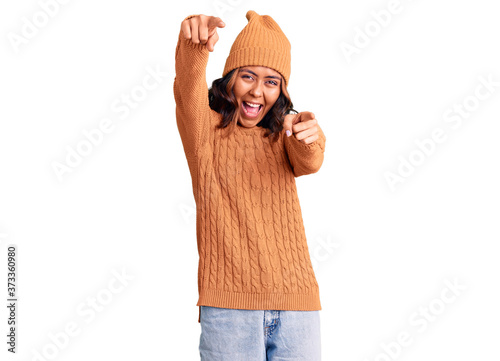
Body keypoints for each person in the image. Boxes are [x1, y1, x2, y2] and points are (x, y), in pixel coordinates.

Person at [173, 9, 326, 360]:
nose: (258, 92)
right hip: (230, 310)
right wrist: (193, 48)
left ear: (282, 90)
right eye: (248, 77)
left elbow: (310, 160)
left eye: (271, 82)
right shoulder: (205, 135)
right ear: (230, 78)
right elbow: (186, 89)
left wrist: (308, 134)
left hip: (298, 306)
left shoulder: (282, 136)